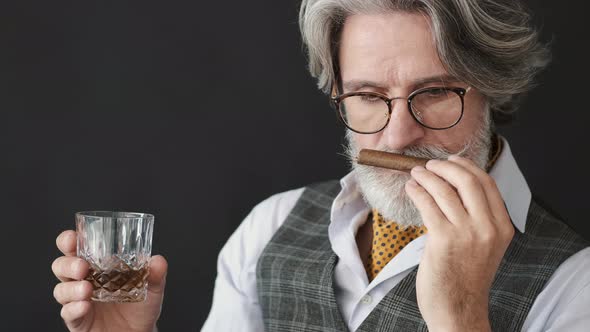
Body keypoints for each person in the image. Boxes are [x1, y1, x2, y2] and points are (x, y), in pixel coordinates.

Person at [52, 1, 589, 332]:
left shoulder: (575, 285)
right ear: (338, 95)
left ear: (490, 88)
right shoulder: (268, 228)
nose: (399, 134)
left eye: (434, 93)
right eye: (367, 96)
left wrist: (462, 321)